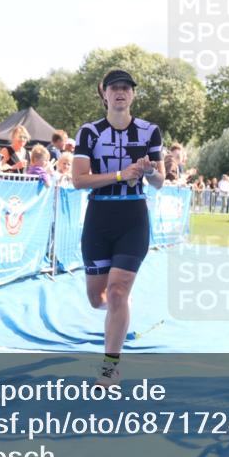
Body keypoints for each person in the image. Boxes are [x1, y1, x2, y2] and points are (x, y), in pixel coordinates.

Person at [72, 69, 165, 386]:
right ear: (105, 94)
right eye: (115, 88)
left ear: (133, 95)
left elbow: (160, 181)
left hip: (133, 218)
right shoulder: (89, 132)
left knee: (117, 291)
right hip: (99, 218)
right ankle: (119, 308)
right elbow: (78, 180)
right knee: (98, 298)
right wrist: (119, 175)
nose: (121, 92)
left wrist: (149, 171)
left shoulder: (150, 131)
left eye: (126, 88)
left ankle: (110, 369)